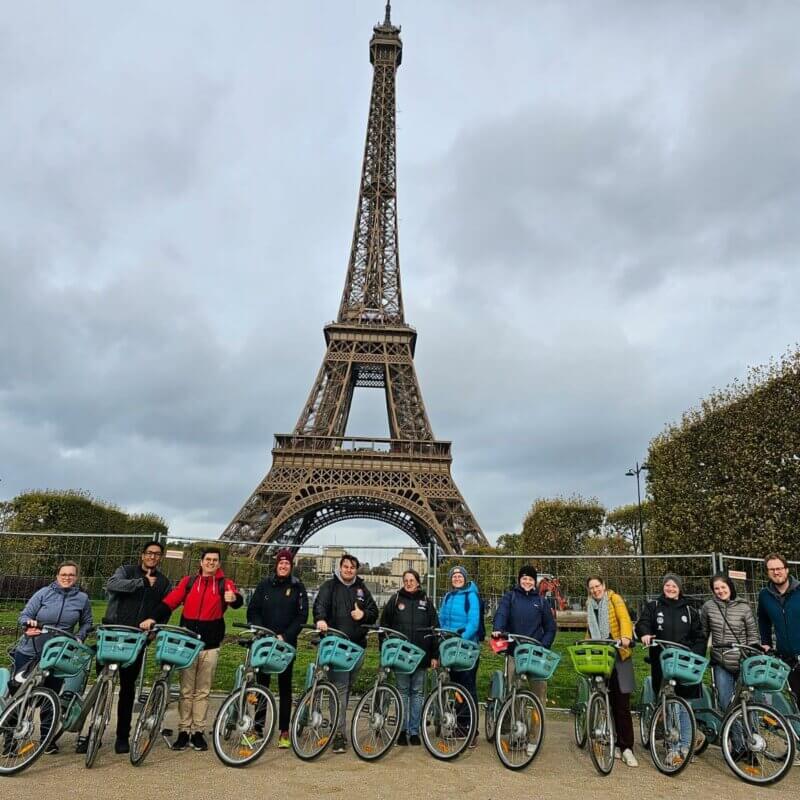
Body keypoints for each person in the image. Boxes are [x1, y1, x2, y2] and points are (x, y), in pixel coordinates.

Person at [143, 547, 243, 752]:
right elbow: (170, 602)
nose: (211, 563)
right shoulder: (188, 582)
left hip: (211, 644)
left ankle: (198, 731)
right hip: (187, 645)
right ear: (201, 561)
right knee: (187, 690)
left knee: (203, 691)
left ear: (219, 564)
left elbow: (234, 600)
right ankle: (183, 730)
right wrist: (153, 617)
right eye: (208, 559)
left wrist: (234, 599)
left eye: (215, 560)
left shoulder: (224, 583)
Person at [86, 540, 171, 755]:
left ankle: (122, 736)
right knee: (102, 684)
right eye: (149, 553)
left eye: (157, 554)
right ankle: (90, 732)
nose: (153, 557)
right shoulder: (126, 571)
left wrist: (156, 629)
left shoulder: (163, 582)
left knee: (128, 688)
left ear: (160, 557)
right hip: (112, 633)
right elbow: (112, 585)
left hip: (137, 638)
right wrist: (140, 582)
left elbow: (165, 608)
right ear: (142, 555)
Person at [14, 561, 93, 754]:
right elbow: (24, 615)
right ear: (57, 576)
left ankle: (46, 740)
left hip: (59, 654)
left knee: (51, 697)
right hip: (31, 650)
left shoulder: (82, 599)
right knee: (19, 694)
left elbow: (87, 622)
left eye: (71, 575)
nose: (67, 577)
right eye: (63, 574)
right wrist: (28, 624)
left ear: (76, 578)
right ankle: (10, 739)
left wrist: (79, 636)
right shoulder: (43, 593)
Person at [635, 573, 706, 766]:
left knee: (685, 706)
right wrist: (645, 634)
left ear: (679, 588)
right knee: (670, 704)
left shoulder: (690, 611)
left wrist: (694, 654)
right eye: (668, 585)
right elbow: (642, 624)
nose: (671, 589)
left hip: (684, 663)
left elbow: (700, 636)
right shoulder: (654, 607)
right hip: (662, 661)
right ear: (663, 587)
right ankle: (672, 748)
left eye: (674, 586)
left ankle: (686, 745)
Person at [313, 552, 378, 754]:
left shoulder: (362, 589)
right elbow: (319, 605)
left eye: (352, 567)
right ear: (340, 567)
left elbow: (374, 612)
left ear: (356, 569)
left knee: (346, 688)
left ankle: (336, 725)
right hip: (337, 647)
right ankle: (338, 734)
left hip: (357, 647)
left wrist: (363, 614)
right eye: (346, 566)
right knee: (340, 689)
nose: (349, 570)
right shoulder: (329, 586)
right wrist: (320, 619)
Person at [247, 547, 308, 748]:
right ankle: (257, 728)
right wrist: (262, 631)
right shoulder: (264, 585)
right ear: (276, 565)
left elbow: (302, 616)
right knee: (262, 686)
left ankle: (283, 730)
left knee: (285, 687)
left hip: (285, 644)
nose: (283, 566)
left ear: (291, 566)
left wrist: (286, 635)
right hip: (265, 642)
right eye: (281, 562)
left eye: (287, 563)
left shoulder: (298, 587)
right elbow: (253, 609)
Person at [379, 569, 439, 746]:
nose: (408, 583)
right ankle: (401, 729)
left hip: (420, 655)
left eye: (412, 580)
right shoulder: (395, 600)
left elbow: (434, 629)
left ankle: (414, 731)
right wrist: (385, 649)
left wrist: (435, 654)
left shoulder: (427, 602)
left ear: (418, 582)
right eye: (405, 580)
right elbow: (384, 626)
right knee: (402, 693)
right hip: (401, 656)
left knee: (417, 693)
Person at [583, 575, 637, 767]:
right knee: (606, 701)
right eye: (592, 587)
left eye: (598, 586)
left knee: (622, 703)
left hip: (620, 653)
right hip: (601, 655)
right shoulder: (590, 605)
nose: (595, 590)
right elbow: (590, 629)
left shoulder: (614, 599)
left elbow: (624, 618)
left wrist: (625, 637)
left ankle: (627, 747)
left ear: (604, 586)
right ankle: (612, 739)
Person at [492, 565, 557, 709]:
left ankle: (537, 729)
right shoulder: (510, 597)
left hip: (535, 654)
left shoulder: (541, 602)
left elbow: (550, 628)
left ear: (535, 582)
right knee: (512, 690)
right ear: (519, 580)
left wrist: (543, 645)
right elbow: (501, 613)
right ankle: (511, 724)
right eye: (524, 578)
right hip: (515, 652)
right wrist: (498, 628)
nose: (527, 582)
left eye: (530, 579)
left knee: (538, 693)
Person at [701, 573, 759, 712]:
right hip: (721, 661)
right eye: (716, 588)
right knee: (726, 701)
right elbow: (703, 633)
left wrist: (752, 657)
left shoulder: (744, 607)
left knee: (748, 700)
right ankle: (735, 733)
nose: (720, 591)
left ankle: (752, 732)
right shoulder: (709, 607)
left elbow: (752, 634)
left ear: (730, 587)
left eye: (723, 587)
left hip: (742, 661)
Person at [438, 565, 482, 745]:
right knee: (457, 688)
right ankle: (461, 726)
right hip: (450, 647)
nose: (457, 578)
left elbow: (473, 622)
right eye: (454, 576)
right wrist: (441, 636)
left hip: (466, 648)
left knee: (467, 687)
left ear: (465, 578)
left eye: (460, 576)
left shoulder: (471, 596)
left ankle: (470, 729)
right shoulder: (448, 596)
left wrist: (460, 639)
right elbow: (441, 618)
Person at [757, 553, 800, 700]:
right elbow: (763, 620)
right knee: (795, 699)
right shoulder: (764, 595)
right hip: (787, 658)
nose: (776, 572)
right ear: (767, 572)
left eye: (779, 568)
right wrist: (766, 642)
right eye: (772, 569)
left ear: (787, 570)